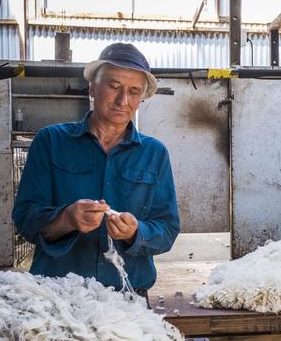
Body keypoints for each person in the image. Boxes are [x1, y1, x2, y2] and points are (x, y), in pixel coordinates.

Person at [13, 43, 180, 301]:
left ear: (141, 98)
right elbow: (25, 219)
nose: (123, 100)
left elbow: (167, 229)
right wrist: (67, 219)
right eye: (114, 86)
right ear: (92, 86)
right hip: (57, 298)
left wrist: (136, 232)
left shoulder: (154, 153)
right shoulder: (51, 141)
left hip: (128, 297)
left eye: (133, 91)